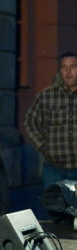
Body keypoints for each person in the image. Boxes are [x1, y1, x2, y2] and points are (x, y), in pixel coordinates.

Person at [24, 51, 77, 192]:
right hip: (54, 169)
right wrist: (42, 146)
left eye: (72, 67)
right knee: (54, 212)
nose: (68, 72)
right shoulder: (46, 96)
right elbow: (30, 122)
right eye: (64, 67)